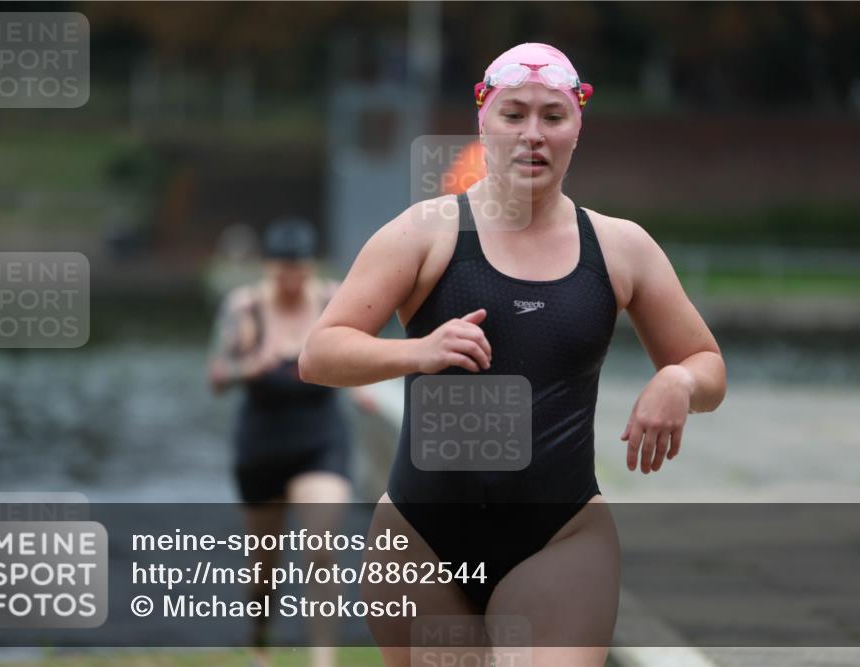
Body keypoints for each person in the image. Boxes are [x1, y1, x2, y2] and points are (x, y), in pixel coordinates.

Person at [300, 42, 726, 667]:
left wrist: (680, 382)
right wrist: (417, 352)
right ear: (484, 120)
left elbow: (706, 363)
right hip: (420, 541)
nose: (533, 134)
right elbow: (319, 353)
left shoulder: (620, 247)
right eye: (514, 114)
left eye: (553, 117)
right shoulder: (426, 232)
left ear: (578, 125)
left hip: (560, 538)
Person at [208, 218, 376, 667]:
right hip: (261, 445)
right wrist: (251, 366)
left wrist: (362, 389)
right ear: (268, 268)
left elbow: (359, 352)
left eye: (299, 271)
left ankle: (323, 660)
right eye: (282, 272)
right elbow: (217, 376)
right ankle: (259, 639)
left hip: (321, 440)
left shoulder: (331, 299)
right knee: (264, 567)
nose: (291, 281)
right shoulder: (244, 308)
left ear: (311, 267)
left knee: (321, 546)